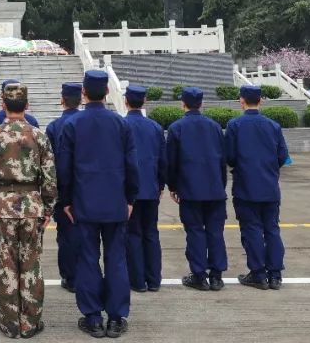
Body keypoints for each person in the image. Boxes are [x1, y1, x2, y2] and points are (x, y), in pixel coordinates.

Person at [56, 70, 138, 339]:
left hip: (83, 202)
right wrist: (130, 199)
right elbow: (131, 166)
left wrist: (66, 200)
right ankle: (115, 318)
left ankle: (92, 318)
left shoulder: (72, 124)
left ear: (83, 93)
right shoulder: (120, 123)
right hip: (115, 202)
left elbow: (64, 168)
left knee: (87, 259)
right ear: (106, 93)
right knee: (116, 259)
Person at [0, 83, 57, 339]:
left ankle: (10, 323)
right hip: (32, 205)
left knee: (7, 265)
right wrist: (48, 207)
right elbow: (49, 177)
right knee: (31, 265)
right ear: (27, 105)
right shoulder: (39, 135)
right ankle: (30, 323)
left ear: (3, 105)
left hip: (3, 205)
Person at [225, 85, 289, 291]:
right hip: (270, 185)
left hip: (246, 185)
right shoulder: (273, 126)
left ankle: (258, 274)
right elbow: (282, 157)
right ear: (260, 101)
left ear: (241, 101)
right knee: (272, 229)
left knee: (251, 229)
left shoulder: (235, 125)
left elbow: (230, 157)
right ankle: (276, 275)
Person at [167, 87, 228, 293]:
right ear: (201, 104)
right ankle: (217, 276)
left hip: (190, 189)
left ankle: (199, 275)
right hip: (215, 188)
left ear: (182, 103)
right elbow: (222, 159)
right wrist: (221, 184)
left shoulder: (177, 128)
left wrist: (173, 186)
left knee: (194, 232)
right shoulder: (214, 127)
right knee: (215, 232)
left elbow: (172, 162)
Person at [122, 84, 166, 293]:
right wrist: (161, 185)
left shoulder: (121, 125)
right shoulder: (155, 127)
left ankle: (137, 280)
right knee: (151, 233)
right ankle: (154, 279)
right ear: (144, 101)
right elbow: (162, 160)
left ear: (126, 101)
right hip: (151, 188)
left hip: (129, 191)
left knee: (133, 234)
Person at [44, 82, 82, 293]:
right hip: (87, 188)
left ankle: (70, 277)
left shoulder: (54, 126)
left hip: (63, 188)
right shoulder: (85, 122)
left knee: (66, 234)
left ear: (62, 100)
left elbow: (49, 162)